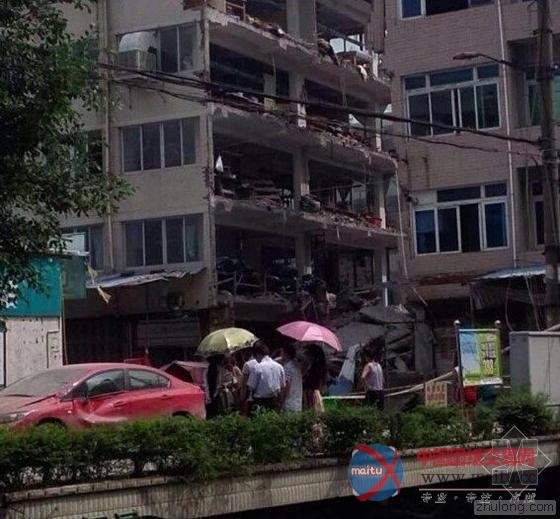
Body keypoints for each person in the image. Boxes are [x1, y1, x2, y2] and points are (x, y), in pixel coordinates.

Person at [246, 341, 285, 413]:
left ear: (257, 354)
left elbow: (251, 387)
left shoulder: (257, 367)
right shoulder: (279, 367)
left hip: (259, 401)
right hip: (274, 400)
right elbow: (282, 386)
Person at [302, 343, 328, 413]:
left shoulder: (315, 368)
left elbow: (309, 381)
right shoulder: (320, 367)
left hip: (310, 393)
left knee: (310, 411)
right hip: (315, 393)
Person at [280, 343, 303, 412]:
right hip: (297, 403)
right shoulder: (297, 367)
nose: (280, 355)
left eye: (281, 352)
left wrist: (281, 400)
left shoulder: (287, 367)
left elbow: (287, 385)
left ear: (286, 354)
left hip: (288, 403)